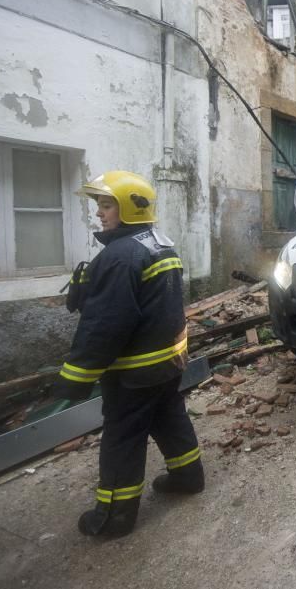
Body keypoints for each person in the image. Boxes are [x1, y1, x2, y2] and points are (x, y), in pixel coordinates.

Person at [52, 171, 203, 538]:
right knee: (169, 418)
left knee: (123, 437)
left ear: (130, 209)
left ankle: (114, 517)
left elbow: (105, 325)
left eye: (106, 205)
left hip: (132, 374)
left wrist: (76, 376)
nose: (99, 214)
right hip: (167, 365)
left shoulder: (120, 257)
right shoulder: (159, 244)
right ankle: (188, 477)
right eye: (100, 205)